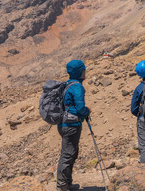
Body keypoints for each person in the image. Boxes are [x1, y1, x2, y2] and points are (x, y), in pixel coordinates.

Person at [57, 60, 90, 191]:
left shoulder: (67, 84)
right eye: (84, 70)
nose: (85, 72)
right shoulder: (77, 87)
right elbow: (81, 108)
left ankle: (67, 183)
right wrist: (87, 111)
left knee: (71, 153)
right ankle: (62, 186)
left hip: (64, 123)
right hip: (72, 125)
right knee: (68, 154)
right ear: (80, 72)